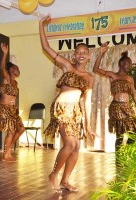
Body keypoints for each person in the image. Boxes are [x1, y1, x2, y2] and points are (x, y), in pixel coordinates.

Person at [39, 15, 97, 193]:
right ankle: (53, 174)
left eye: (84, 52)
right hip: (61, 108)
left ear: (88, 56)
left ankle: (65, 180)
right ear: (74, 55)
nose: (81, 54)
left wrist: (87, 126)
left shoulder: (89, 78)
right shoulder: (67, 66)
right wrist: (41, 25)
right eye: (78, 52)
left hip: (75, 112)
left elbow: (86, 102)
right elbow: (46, 47)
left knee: (76, 147)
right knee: (70, 144)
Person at [93, 43, 136, 151]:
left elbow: (134, 96)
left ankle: (127, 158)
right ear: (121, 63)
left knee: (133, 134)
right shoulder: (113, 75)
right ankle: (119, 163)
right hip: (116, 107)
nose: (129, 66)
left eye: (130, 64)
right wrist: (101, 53)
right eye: (127, 63)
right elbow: (96, 69)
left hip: (127, 108)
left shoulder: (130, 79)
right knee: (120, 135)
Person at [0, 43, 25, 162]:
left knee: (21, 129)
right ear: (11, 70)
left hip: (12, 109)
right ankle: (5, 155)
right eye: (16, 68)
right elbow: (2, 67)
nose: (18, 69)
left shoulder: (15, 83)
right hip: (4, 108)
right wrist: (5, 54)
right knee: (11, 131)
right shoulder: (6, 78)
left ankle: (7, 151)